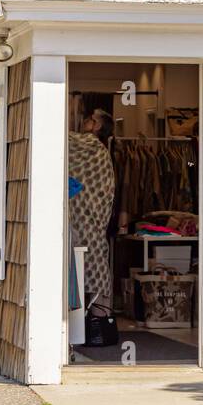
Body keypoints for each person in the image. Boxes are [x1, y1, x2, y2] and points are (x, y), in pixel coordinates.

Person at [68, 109, 116, 326]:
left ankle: (94, 323)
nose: (85, 120)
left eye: (90, 119)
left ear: (97, 127)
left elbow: (60, 138)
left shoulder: (91, 146)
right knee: (93, 266)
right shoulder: (101, 151)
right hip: (91, 222)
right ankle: (94, 321)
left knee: (84, 266)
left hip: (85, 220)